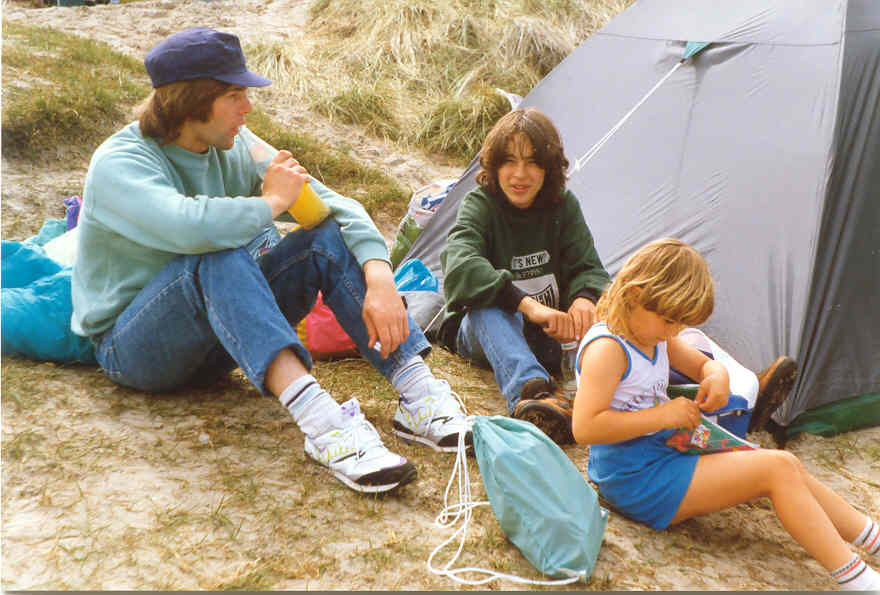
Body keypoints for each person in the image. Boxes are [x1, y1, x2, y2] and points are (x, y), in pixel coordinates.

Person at [70, 27, 471, 495]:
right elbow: (191, 227)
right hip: (135, 350)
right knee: (216, 253)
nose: (248, 108)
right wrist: (270, 204)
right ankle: (325, 427)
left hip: (220, 342)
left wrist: (380, 276)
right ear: (192, 100)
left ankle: (418, 392)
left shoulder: (233, 143)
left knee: (322, 237)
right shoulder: (120, 162)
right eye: (235, 94)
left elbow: (331, 204)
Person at [440, 107, 794, 445]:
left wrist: (583, 298)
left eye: (532, 162)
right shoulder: (481, 205)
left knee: (635, 314)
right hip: (492, 336)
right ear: (494, 165)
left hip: (555, 336)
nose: (520, 175)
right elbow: (460, 263)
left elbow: (589, 269)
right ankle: (534, 398)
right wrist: (528, 306)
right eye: (510, 162)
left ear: (549, 169)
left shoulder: (561, 206)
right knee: (488, 310)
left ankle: (739, 388)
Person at [571, 238, 880, 591]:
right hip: (634, 478)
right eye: (670, 320)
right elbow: (585, 427)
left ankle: (871, 537)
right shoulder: (608, 350)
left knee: (785, 464)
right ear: (635, 295)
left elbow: (702, 363)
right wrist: (662, 417)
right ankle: (856, 579)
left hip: (664, 449)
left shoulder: (652, 333)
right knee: (775, 469)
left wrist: (715, 377)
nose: (674, 331)